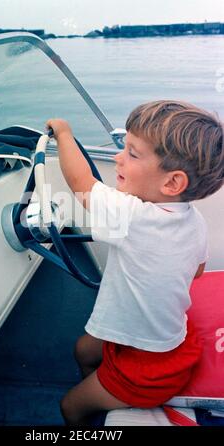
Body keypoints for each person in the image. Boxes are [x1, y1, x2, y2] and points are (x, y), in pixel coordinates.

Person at [46, 100, 224, 426]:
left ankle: (103, 399)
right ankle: (101, 387)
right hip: (168, 340)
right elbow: (196, 272)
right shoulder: (194, 221)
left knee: (69, 407)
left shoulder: (134, 217)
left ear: (172, 183)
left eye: (132, 153)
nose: (118, 157)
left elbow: (81, 185)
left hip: (147, 369)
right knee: (84, 350)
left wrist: (65, 133)